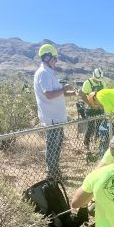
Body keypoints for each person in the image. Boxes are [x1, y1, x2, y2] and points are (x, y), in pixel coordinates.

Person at [33, 44, 75, 179]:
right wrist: (63, 89)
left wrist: (71, 92)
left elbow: (57, 93)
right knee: (52, 147)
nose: (56, 61)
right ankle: (51, 174)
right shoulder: (44, 73)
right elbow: (49, 95)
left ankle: (56, 172)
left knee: (56, 147)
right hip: (51, 117)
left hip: (57, 117)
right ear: (46, 57)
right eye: (54, 59)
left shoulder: (49, 72)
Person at [79, 68, 106, 149]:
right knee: (90, 127)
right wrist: (91, 105)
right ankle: (86, 144)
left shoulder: (103, 82)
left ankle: (97, 143)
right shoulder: (87, 83)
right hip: (90, 109)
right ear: (93, 75)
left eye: (99, 79)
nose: (98, 81)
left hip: (100, 108)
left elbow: (103, 95)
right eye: (97, 79)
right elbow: (82, 95)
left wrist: (102, 105)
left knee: (100, 126)